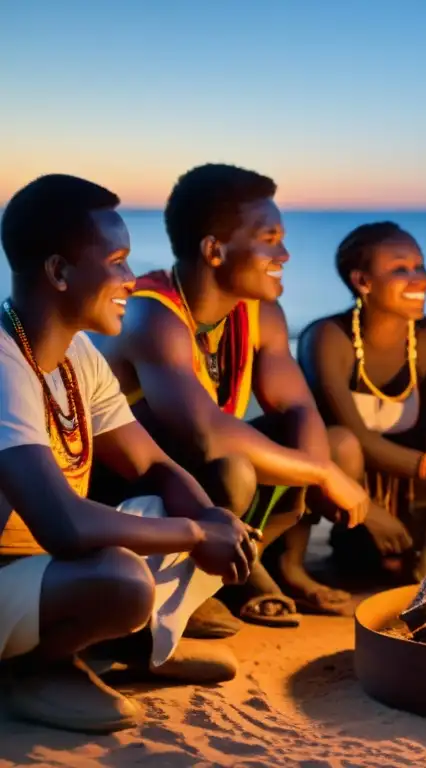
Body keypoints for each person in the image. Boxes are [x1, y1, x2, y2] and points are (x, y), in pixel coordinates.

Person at [0, 174, 259, 733]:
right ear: (58, 272)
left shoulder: (77, 356)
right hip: (8, 571)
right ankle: (34, 669)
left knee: (194, 506)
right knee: (122, 579)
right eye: (116, 261)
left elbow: (154, 465)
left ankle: (144, 642)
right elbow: (64, 526)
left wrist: (213, 521)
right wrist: (197, 537)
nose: (131, 278)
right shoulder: (3, 361)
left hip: (38, 574)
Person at [94, 163, 370, 628]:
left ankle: (267, 566)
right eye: (270, 238)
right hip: (132, 495)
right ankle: (189, 586)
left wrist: (318, 472)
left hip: (204, 487)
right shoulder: (150, 316)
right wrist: (319, 474)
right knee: (235, 468)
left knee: (337, 444)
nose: (284, 252)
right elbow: (207, 436)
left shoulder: (261, 313)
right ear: (214, 250)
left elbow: (297, 406)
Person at [297, 222, 426, 581]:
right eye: (401, 270)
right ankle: (293, 560)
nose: (420, 279)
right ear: (363, 282)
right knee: (367, 563)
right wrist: (372, 511)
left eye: (420, 266)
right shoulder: (326, 339)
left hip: (414, 488)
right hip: (343, 481)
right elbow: (350, 435)